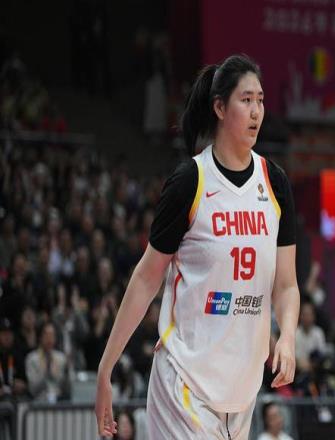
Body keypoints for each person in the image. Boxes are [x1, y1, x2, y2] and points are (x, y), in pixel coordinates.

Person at [95, 54, 300, 439]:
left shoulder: (274, 184)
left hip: (240, 396)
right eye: (245, 100)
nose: (256, 111)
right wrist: (106, 368)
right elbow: (146, 278)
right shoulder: (191, 181)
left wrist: (287, 336)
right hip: (183, 384)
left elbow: (287, 285)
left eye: (260, 100)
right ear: (219, 108)